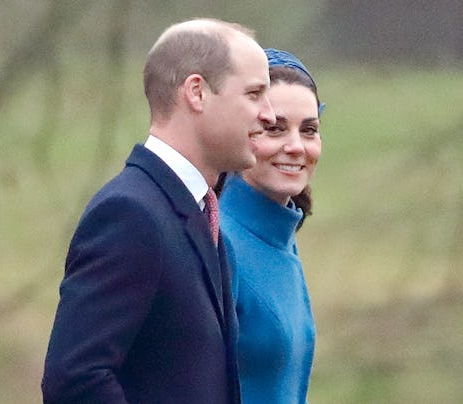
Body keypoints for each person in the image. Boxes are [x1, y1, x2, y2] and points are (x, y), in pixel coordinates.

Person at [41, 18, 275, 403]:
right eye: (254, 94)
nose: (269, 115)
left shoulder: (199, 213)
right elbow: (76, 380)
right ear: (197, 92)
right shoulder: (130, 215)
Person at [217, 48, 325, 404]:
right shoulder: (218, 242)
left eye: (308, 130)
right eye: (274, 129)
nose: (295, 147)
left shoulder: (281, 237)